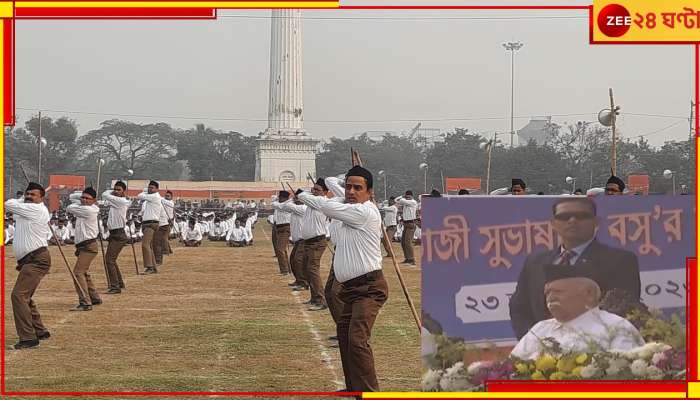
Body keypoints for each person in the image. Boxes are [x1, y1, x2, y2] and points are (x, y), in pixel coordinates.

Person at [298, 165, 388, 392]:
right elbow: (332, 193)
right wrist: (342, 194)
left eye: (358, 188)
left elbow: (325, 205)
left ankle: (370, 394)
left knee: (357, 339)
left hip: (369, 287)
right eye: (348, 186)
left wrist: (302, 195)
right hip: (351, 288)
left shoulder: (363, 212)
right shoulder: (350, 206)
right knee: (345, 335)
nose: (351, 191)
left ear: (369, 193)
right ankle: (354, 388)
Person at [508, 197, 641, 339]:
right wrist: (533, 340)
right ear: (553, 224)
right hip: (543, 352)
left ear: (596, 222)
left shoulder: (620, 260)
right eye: (564, 217)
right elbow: (519, 307)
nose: (572, 220)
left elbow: (622, 307)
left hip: (596, 347)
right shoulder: (535, 262)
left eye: (581, 216)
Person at [511, 266, 644, 360]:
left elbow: (629, 373)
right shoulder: (540, 330)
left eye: (558, 292)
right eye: (547, 293)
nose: (550, 297)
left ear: (589, 294)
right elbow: (512, 368)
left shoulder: (616, 327)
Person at [6, 182, 52, 349]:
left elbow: (7, 204)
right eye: (28, 194)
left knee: (18, 296)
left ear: (41, 198)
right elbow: (15, 211)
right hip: (30, 260)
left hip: (36, 260)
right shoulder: (27, 209)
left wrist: (21, 198)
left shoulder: (36, 209)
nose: (29, 197)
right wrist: (24, 199)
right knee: (25, 296)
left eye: (33, 195)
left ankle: (28, 338)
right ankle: (40, 330)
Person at [295, 178, 331, 311]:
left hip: (317, 240)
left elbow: (301, 195)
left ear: (325, 192)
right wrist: (310, 192)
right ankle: (314, 297)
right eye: (313, 189)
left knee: (312, 269)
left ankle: (321, 300)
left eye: (318, 189)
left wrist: (307, 193)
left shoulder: (321, 201)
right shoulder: (313, 201)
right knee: (307, 269)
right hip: (308, 241)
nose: (314, 191)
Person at [65, 187, 102, 311]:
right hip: (83, 246)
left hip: (88, 246)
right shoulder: (84, 207)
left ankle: (85, 302)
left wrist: (79, 200)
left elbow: (69, 207)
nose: (84, 200)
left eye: (87, 198)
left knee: (78, 273)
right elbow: (72, 198)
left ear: (94, 200)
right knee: (84, 272)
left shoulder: (89, 210)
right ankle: (94, 297)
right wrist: (80, 198)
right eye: (83, 197)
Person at [101, 181, 131, 294]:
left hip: (118, 234)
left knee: (109, 260)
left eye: (119, 190)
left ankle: (115, 286)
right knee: (111, 260)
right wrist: (113, 192)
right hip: (113, 233)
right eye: (115, 189)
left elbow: (104, 194)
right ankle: (119, 282)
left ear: (123, 191)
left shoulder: (121, 201)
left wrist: (111, 191)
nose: (116, 192)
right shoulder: (116, 201)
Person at [277, 196, 309, 291]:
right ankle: (299, 280)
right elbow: (283, 207)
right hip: (297, 241)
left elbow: (286, 205)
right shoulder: (295, 208)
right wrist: (293, 199)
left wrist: (291, 199)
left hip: (303, 240)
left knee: (298, 261)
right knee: (293, 260)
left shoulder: (302, 208)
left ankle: (303, 282)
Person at [137, 181, 163, 274]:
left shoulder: (154, 196)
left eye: (152, 188)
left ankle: (149, 267)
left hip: (151, 223)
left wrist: (145, 191)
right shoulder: (151, 197)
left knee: (145, 245)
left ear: (157, 189)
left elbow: (139, 195)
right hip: (148, 223)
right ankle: (154, 267)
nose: (150, 189)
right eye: (149, 187)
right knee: (149, 246)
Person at [271, 191, 292, 275]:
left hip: (285, 228)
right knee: (282, 249)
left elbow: (273, 204)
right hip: (279, 227)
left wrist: (276, 199)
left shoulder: (287, 205)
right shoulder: (282, 203)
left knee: (280, 249)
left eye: (280, 197)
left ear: (285, 198)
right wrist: (277, 198)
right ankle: (287, 269)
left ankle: (284, 270)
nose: (279, 199)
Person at [394, 191, 418, 265]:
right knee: (403, 242)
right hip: (406, 223)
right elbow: (396, 200)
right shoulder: (405, 202)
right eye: (406, 197)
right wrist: (402, 195)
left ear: (412, 196)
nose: (407, 198)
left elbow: (400, 201)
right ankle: (407, 258)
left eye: (409, 197)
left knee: (408, 242)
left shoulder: (413, 202)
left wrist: (403, 198)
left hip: (411, 224)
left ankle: (412, 260)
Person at [154, 190, 174, 266]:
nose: (166, 197)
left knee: (164, 238)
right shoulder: (164, 202)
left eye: (168, 196)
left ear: (171, 197)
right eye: (166, 196)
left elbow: (161, 200)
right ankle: (168, 250)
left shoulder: (170, 203)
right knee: (164, 238)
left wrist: (158, 198)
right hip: (164, 220)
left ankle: (166, 251)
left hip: (168, 221)